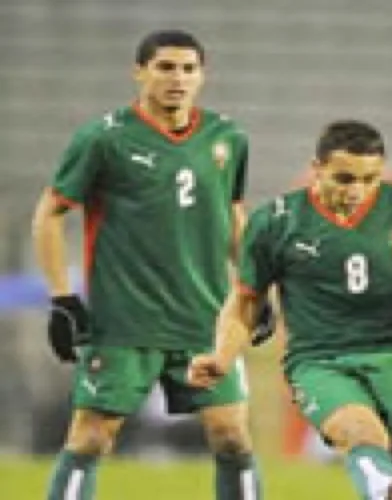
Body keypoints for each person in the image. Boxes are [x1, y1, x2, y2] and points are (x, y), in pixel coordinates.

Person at [187, 120, 392, 500]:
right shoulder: (276, 222)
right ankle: (386, 489)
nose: (356, 190)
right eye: (344, 178)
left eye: (369, 179)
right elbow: (246, 300)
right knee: (360, 433)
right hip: (321, 359)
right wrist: (222, 355)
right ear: (316, 167)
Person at [32, 30, 265, 500]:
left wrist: (255, 286)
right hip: (124, 321)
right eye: (165, 67)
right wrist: (61, 298)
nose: (177, 78)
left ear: (202, 76)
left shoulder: (227, 138)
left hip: (205, 319)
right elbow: (50, 214)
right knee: (91, 437)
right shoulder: (104, 138)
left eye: (188, 69)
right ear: (139, 72)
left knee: (233, 436)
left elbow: (233, 213)